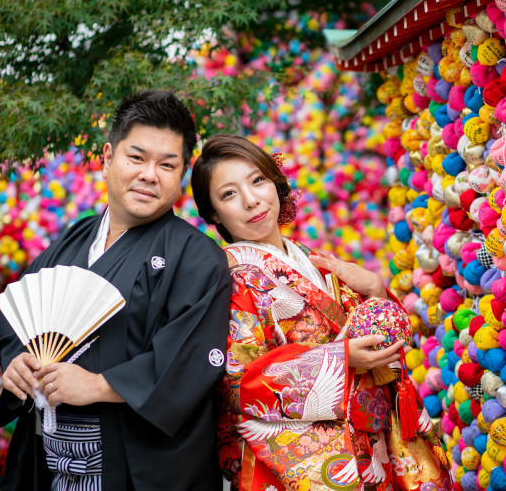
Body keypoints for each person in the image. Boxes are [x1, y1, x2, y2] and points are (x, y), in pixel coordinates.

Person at [0, 90, 232, 491]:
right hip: (52, 465)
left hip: (132, 466)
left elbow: (191, 360)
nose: (149, 174)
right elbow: (19, 322)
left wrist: (99, 385)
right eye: (136, 158)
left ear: (181, 175)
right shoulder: (69, 244)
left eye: (167, 165)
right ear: (107, 158)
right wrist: (16, 363)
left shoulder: (198, 258)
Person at [191, 134, 451, 491]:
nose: (251, 200)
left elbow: (374, 331)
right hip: (323, 452)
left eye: (257, 181)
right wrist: (342, 360)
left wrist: (375, 290)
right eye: (229, 194)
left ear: (275, 183)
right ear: (213, 213)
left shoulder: (309, 257)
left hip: (370, 444)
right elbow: (238, 383)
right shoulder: (232, 278)